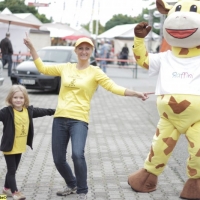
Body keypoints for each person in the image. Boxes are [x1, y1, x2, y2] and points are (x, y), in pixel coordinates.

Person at [23, 36, 149, 200]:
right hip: (60, 118)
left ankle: (82, 190)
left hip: (79, 119)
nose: (83, 51)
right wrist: (32, 47)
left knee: (77, 154)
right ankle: (72, 183)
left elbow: (113, 87)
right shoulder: (65, 67)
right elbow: (43, 68)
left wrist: (136, 93)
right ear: (75, 50)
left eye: (87, 48)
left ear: (91, 51)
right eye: (80, 48)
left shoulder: (95, 72)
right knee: (58, 159)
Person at [0, 85, 55, 200]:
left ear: (25, 99)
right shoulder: (6, 112)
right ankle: (15, 192)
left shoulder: (28, 110)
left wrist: (56, 111)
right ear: (10, 98)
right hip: (9, 147)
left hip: (19, 146)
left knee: (13, 169)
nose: (18, 100)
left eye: (21, 97)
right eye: (15, 97)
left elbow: (43, 111)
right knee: (11, 170)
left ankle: (5, 192)